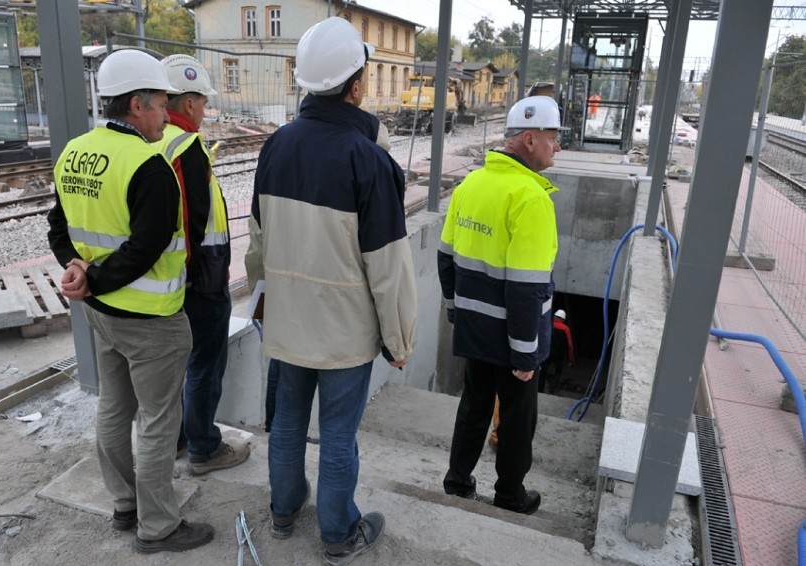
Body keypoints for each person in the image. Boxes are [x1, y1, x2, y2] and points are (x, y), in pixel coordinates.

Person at [247, 17, 417, 566]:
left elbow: (256, 243)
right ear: (356, 84)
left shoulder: (275, 146)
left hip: (288, 324)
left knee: (288, 422)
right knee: (338, 437)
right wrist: (398, 338)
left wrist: (263, 306)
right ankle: (338, 534)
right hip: (344, 334)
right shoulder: (366, 158)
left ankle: (282, 511)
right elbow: (388, 264)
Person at [46, 49, 214, 553]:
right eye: (162, 104)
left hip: (102, 317)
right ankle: (158, 526)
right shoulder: (150, 165)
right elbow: (148, 248)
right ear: (138, 105)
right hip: (151, 320)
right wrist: (92, 280)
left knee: (114, 409)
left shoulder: (74, 152)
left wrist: (77, 271)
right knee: (159, 423)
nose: (168, 113)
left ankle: (125, 505)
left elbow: (59, 228)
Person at [438, 95, 563, 515]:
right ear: (528, 139)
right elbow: (526, 288)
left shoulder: (470, 185)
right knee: (517, 416)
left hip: (475, 327)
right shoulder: (531, 198)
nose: (557, 146)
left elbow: (445, 257)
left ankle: (457, 481)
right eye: (553, 137)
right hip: (514, 336)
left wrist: (457, 312)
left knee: (474, 404)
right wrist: (525, 350)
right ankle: (510, 494)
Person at [156, 54, 251, 475]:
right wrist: (201, 279)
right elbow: (194, 221)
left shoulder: (151, 140)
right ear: (189, 102)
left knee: (175, 364)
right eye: (202, 101)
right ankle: (204, 448)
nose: (206, 109)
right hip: (201, 278)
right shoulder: (187, 147)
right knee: (204, 364)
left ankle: (178, 439)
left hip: (166, 279)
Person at [540, 309, 575, 393]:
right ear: (563, 319)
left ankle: (540, 388)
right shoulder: (566, 329)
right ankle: (552, 388)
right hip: (559, 355)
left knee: (543, 370)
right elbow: (570, 345)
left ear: (554, 316)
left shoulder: (548, 325)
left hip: (547, 352)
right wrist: (571, 358)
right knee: (558, 371)